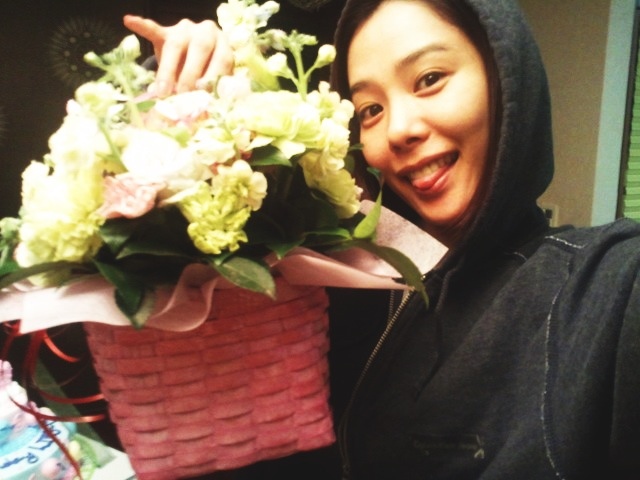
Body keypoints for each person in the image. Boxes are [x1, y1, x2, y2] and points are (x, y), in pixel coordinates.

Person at [123, 0, 640, 478]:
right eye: (370, 109)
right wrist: (178, 97)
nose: (397, 131)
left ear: (506, 79)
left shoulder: (605, 292)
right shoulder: (329, 279)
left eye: (430, 79)